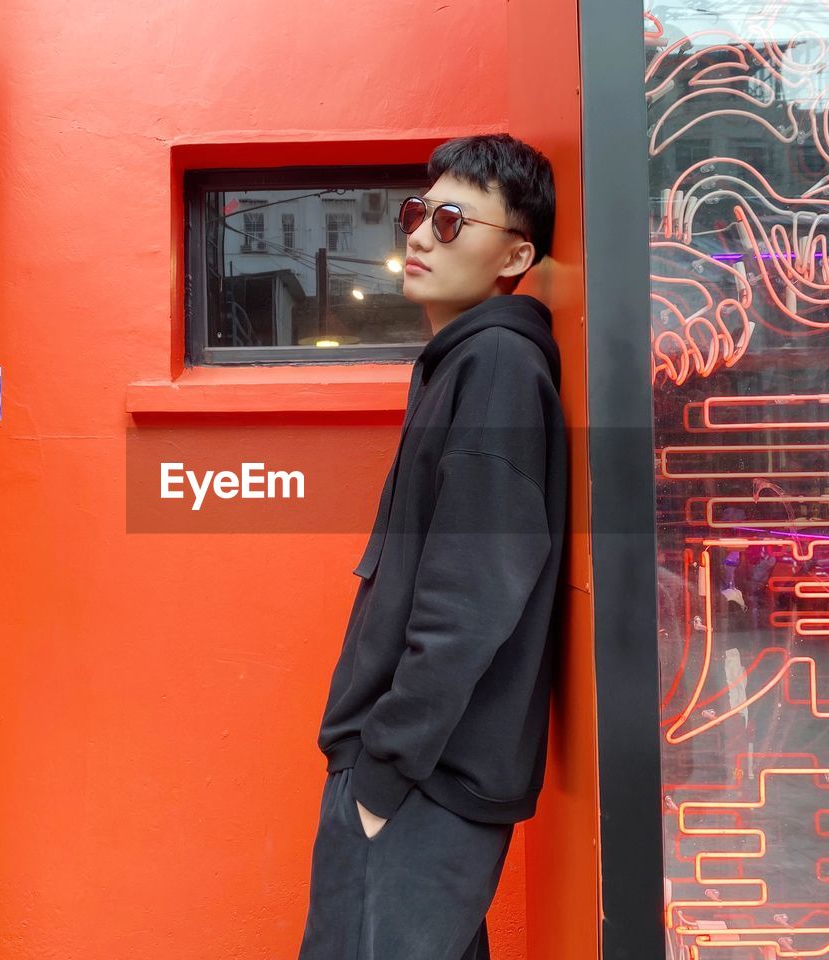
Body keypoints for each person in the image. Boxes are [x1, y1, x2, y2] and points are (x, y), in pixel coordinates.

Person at [297, 133, 566, 960]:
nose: (417, 234)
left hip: (421, 784)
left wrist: (383, 773)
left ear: (516, 253)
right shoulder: (465, 363)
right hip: (419, 778)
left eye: (452, 221)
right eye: (419, 213)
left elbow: (474, 595)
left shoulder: (496, 367)